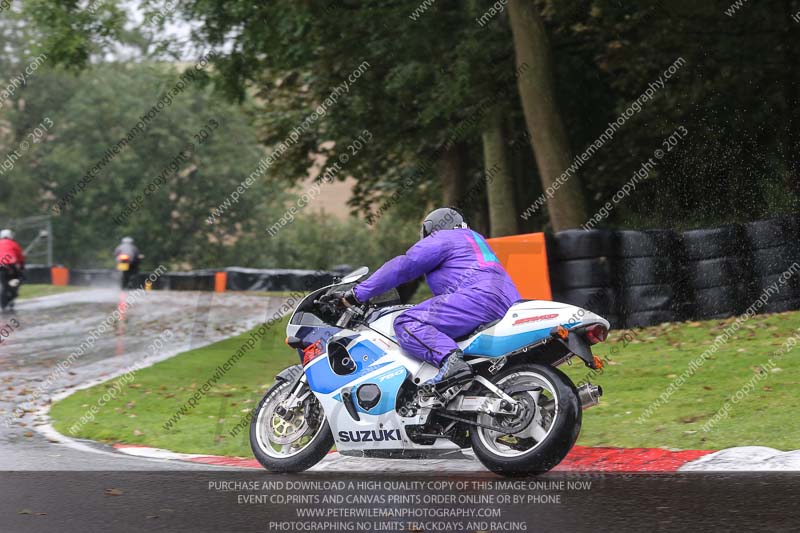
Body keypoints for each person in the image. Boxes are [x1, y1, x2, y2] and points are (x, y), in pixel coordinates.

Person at [333, 208, 521, 392]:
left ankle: (452, 363)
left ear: (432, 228)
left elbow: (403, 267)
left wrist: (355, 294)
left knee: (407, 322)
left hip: (477, 299)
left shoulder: (442, 238)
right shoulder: (476, 240)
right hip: (510, 304)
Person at [0, 229, 25, 310]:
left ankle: (3, 304)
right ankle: (13, 294)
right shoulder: (13, 243)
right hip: (11, 265)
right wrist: (22, 266)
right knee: (20, 277)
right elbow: (20, 256)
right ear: (10, 236)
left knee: (4, 285)